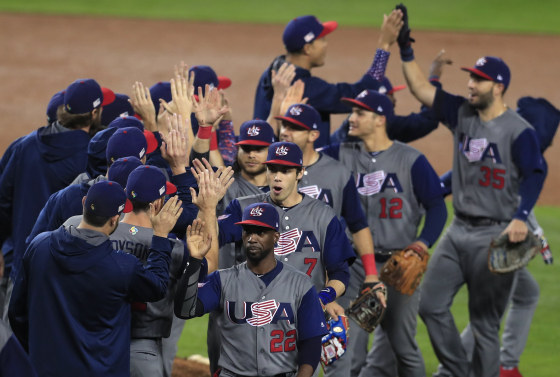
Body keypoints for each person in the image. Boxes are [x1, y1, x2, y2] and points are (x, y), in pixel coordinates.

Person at [395, 7, 546, 376]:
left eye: (478, 79)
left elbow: (535, 173)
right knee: (430, 305)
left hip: (496, 235)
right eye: (470, 78)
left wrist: (521, 217)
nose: (470, 84)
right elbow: (420, 89)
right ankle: (460, 370)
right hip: (457, 231)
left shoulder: (518, 130)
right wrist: (405, 47)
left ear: (498, 86)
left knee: (484, 324)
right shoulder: (461, 113)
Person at [320, 90, 446, 377]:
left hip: (398, 268)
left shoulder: (412, 160)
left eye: (359, 113)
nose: (351, 118)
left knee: (403, 347)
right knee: (347, 347)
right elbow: (308, 159)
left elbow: (437, 207)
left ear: (380, 120)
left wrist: (423, 243)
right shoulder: (340, 154)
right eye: (352, 112)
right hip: (353, 268)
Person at [8, 180, 183, 377]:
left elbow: (17, 312)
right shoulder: (122, 267)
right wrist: (159, 237)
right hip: (101, 370)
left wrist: (38, 350)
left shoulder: (39, 247)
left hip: (45, 368)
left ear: (84, 202)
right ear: (114, 219)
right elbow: (157, 287)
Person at [276, 103, 385, 376]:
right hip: (283, 276)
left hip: (330, 277)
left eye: (295, 128)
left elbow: (358, 224)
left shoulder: (337, 173)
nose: (286, 132)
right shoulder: (273, 171)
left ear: (313, 135)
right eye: (284, 125)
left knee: (336, 354)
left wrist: (371, 275)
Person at [175, 202, 327, 377]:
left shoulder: (300, 284)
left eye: (260, 232)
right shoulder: (222, 280)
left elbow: (311, 341)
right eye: (248, 231)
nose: (252, 238)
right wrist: (194, 260)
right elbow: (185, 311)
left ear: (276, 236)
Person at [0, 78, 110, 319]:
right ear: (94, 113)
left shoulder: (24, 146)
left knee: (11, 347)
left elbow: (3, 205)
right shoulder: (93, 156)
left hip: (19, 263)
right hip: (68, 274)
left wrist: (9, 251)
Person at [254, 12, 405, 147]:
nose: (326, 45)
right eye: (322, 39)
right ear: (308, 48)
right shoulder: (303, 87)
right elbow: (361, 94)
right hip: (299, 169)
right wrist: (384, 46)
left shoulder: (272, 73)